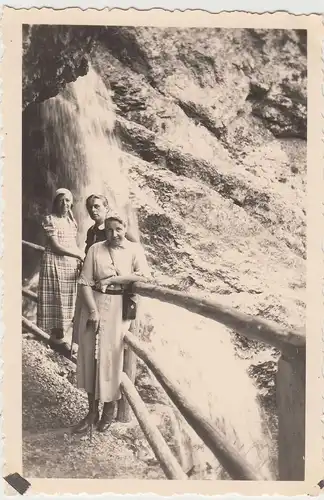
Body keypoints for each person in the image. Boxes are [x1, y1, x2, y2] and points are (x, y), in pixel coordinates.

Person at [73, 214, 150, 434]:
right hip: (93, 304)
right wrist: (93, 311)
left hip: (117, 308)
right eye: (108, 230)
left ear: (125, 227)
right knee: (90, 357)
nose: (113, 234)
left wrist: (112, 280)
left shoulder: (135, 250)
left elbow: (144, 276)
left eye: (118, 229)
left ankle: (108, 411)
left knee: (111, 358)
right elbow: (85, 282)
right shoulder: (95, 249)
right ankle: (91, 412)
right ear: (104, 230)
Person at [71, 194, 139, 351]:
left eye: (97, 206)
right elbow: (88, 252)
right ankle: (80, 351)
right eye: (90, 207)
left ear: (106, 208)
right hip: (90, 284)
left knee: (107, 336)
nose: (93, 210)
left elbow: (132, 249)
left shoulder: (117, 228)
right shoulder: (91, 231)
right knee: (86, 318)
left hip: (109, 289)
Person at [37, 188, 83, 346]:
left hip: (69, 265)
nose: (65, 204)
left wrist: (82, 256)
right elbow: (56, 246)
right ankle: (56, 338)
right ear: (56, 203)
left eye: (68, 200)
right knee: (56, 299)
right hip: (54, 263)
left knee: (67, 299)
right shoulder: (50, 219)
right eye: (61, 200)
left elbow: (73, 244)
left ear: (72, 203)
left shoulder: (71, 221)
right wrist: (77, 255)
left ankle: (62, 336)